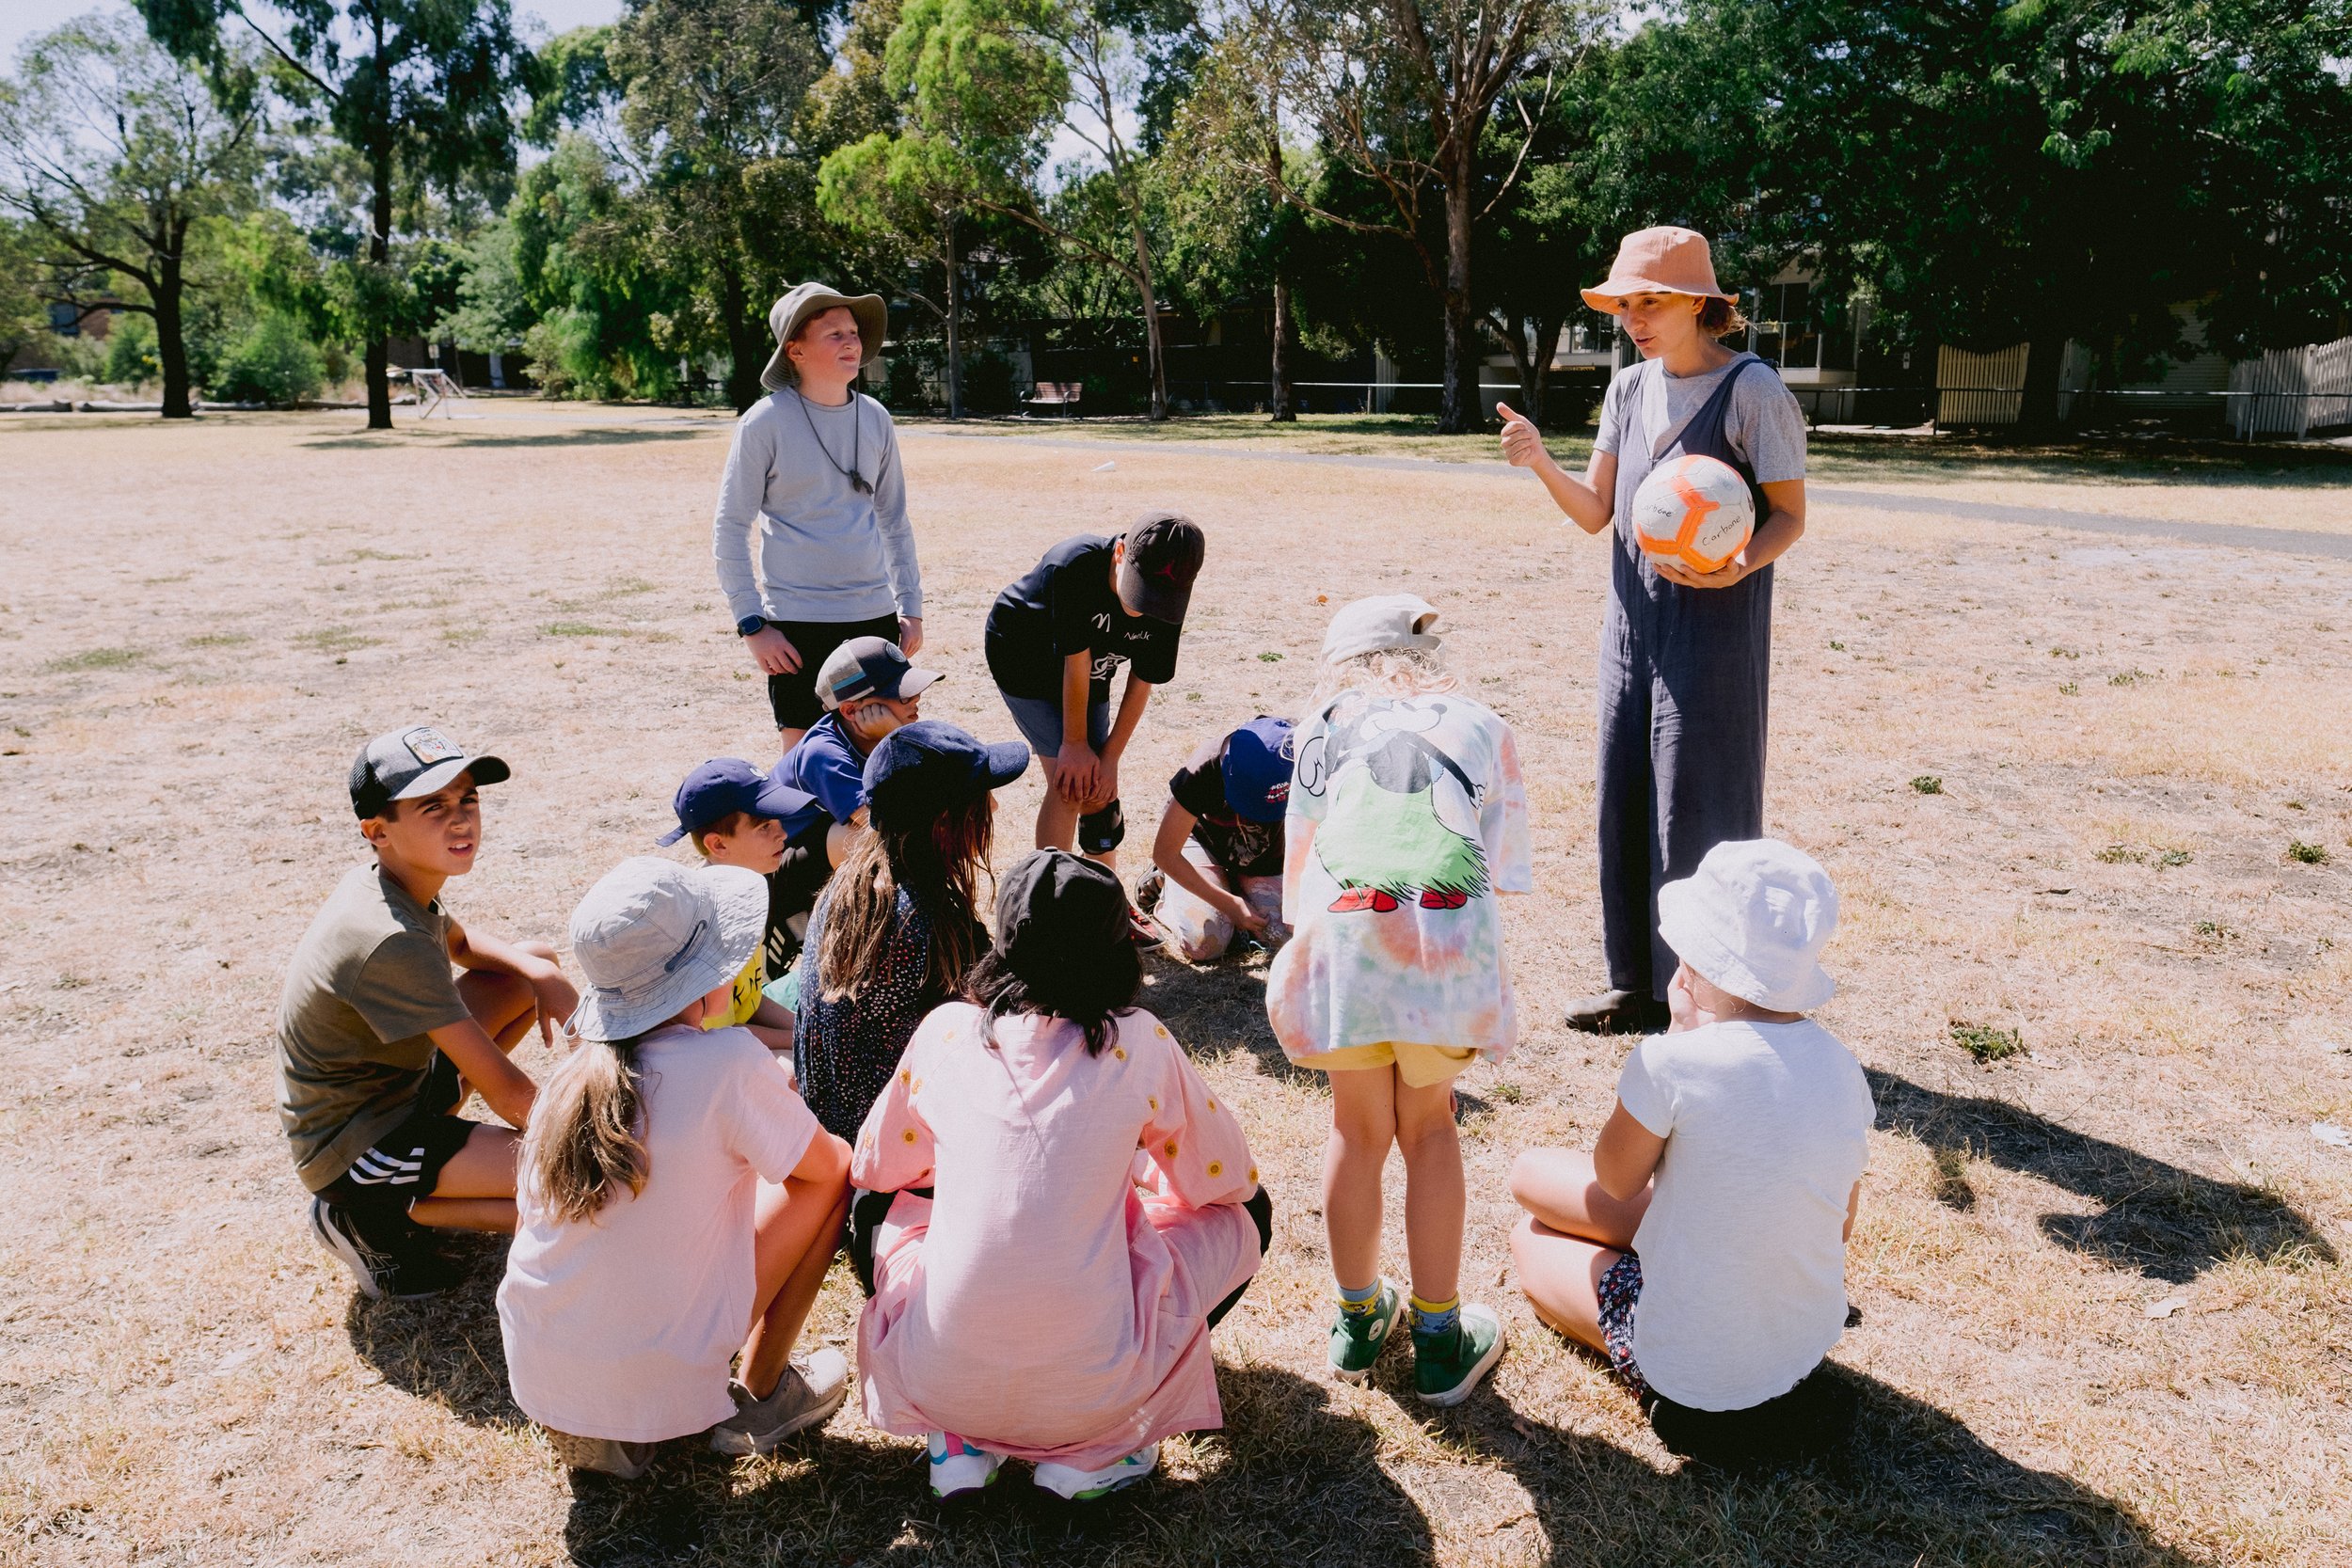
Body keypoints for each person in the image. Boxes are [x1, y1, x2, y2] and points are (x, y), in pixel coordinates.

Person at [851, 850, 1270, 1500]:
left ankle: (963, 1440)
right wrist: (1140, 1172)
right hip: (1095, 1393)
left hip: (943, 1381)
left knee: (875, 1209)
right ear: (1117, 950)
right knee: (1250, 1217)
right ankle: (1099, 1445)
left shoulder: (949, 1031)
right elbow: (1231, 1180)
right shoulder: (1138, 1040)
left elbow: (877, 1167)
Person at [1497, 226, 1810, 1036]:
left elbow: (1789, 518)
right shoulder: (1628, 389)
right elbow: (1598, 512)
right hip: (1629, 632)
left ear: (1699, 303)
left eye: (1651, 300)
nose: (1633, 317)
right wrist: (1539, 461)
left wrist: (1737, 566)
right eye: (1624, 303)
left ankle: (1714, 997)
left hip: (1714, 632)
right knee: (1627, 799)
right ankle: (1635, 985)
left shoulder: (1754, 390)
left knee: (1701, 808)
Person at [1508, 839, 1872, 1468]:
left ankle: (1621, 1304)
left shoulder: (1674, 1059)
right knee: (1553, 1184)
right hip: (1799, 1350)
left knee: (1528, 1231)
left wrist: (1675, 1041)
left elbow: (1614, 1179)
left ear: (1698, 963)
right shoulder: (1843, 1070)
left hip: (1688, 1375)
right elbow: (1839, 1223)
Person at [498, 858, 854, 1480]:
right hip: (655, 1377)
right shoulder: (728, 1061)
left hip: (543, 1377)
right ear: (707, 978)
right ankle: (764, 1394)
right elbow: (819, 1166)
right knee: (835, 1167)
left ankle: (614, 1424)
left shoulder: (571, 1076)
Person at [1266, 598, 1531, 1406]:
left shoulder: (1316, 726)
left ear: (1342, 664)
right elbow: (1501, 861)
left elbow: (1301, 870)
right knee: (1430, 1127)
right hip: (1442, 945)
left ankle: (1355, 1319)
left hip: (1344, 939)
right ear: (1431, 659)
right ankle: (1441, 1338)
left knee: (1355, 1126)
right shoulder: (1484, 723)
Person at [278, 724, 578, 1301]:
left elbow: (462, 946)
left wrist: (542, 972)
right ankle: (378, 1216)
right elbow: (508, 1092)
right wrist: (592, 1140)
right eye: (432, 806)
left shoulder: (395, 883)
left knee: (527, 963)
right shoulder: (388, 937)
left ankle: (438, 1174)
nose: (461, 819)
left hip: (398, 1087)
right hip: (356, 1147)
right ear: (377, 831)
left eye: (468, 799)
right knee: (580, 1187)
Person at [715, 281, 924, 752]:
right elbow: (729, 527)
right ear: (795, 350)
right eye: (834, 334)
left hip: (875, 617)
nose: (852, 342)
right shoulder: (763, 423)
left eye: (853, 332)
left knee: (889, 757)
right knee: (807, 767)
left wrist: (909, 607)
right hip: (797, 624)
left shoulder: (875, 417)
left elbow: (894, 520)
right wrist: (752, 623)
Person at [796, 721, 1028, 1142]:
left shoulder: (854, 881)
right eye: (982, 799)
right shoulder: (923, 922)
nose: (992, 808)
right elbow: (1003, 1028)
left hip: (834, 1126)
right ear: (943, 823)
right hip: (893, 1148)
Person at [984, 513, 1205, 863]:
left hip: (1093, 662)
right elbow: (1076, 662)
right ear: (1119, 552)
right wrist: (1074, 743)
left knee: (1097, 787)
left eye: (1157, 599)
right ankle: (1050, 895)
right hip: (1024, 654)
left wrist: (1111, 757)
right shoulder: (1073, 565)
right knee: (1070, 784)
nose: (1143, 608)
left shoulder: (1169, 601)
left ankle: (1103, 900)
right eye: (1139, 591)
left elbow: (1143, 677)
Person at [656, 757, 821, 1055]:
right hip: (704, 1055)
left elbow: (750, 1001)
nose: (782, 834)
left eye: (778, 821)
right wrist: (803, 1041)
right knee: (796, 1075)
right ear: (718, 845)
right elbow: (720, 1034)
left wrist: (808, 1031)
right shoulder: (710, 923)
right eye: (764, 827)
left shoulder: (746, 891)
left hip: (734, 1039)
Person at [1138, 715, 1294, 961]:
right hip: (1204, 846)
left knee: (1286, 936)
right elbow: (1165, 853)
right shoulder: (1204, 768)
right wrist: (1228, 904)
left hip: (1260, 860)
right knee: (1205, 943)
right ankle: (1165, 893)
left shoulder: (1300, 761)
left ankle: (1231, 890)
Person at [773, 636, 940, 860]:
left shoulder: (871, 734)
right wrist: (894, 739)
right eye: (901, 694)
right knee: (871, 837)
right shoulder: (822, 753)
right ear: (851, 711)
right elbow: (879, 822)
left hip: (815, 843)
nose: (916, 698)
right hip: (777, 862)